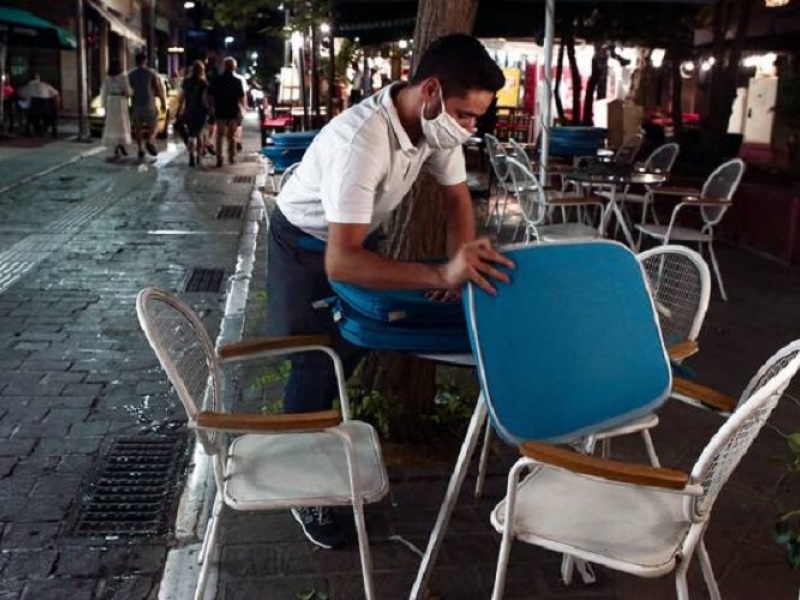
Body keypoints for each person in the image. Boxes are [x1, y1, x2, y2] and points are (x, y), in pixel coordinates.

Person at [266, 33, 510, 549]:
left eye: (476, 118)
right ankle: (299, 484)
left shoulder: (435, 127)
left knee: (349, 348)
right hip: (304, 243)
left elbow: (457, 199)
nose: (470, 128)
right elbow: (341, 260)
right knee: (314, 359)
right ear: (432, 90)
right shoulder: (363, 142)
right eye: (466, 115)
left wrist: (460, 260)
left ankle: (326, 443)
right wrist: (440, 275)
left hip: (356, 236)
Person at [208, 57, 246, 167]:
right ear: (234, 67)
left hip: (220, 110)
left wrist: (212, 107)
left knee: (220, 136)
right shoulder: (237, 81)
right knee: (231, 136)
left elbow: (210, 95)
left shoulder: (217, 80)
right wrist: (242, 109)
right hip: (233, 111)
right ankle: (231, 157)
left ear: (224, 66)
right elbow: (241, 97)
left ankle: (219, 158)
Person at [128, 52, 166, 160]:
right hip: (149, 104)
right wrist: (163, 102)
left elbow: (128, 89)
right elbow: (158, 89)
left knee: (138, 128)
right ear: (145, 60)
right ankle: (150, 141)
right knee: (154, 125)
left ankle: (140, 149)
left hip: (136, 104)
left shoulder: (131, 74)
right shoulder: (152, 73)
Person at [176, 60, 210, 167]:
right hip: (201, 111)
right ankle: (199, 157)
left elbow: (182, 97)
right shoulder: (204, 83)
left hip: (189, 110)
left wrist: (179, 110)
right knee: (199, 133)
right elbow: (204, 99)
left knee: (191, 134)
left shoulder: (186, 81)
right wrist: (209, 109)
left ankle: (191, 155)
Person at [100, 61, 132, 161]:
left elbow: (104, 91)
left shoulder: (107, 78)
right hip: (120, 101)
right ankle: (121, 144)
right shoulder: (123, 77)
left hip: (111, 102)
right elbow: (128, 91)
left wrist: (104, 104)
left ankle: (116, 149)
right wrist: (129, 94)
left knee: (112, 126)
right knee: (122, 125)